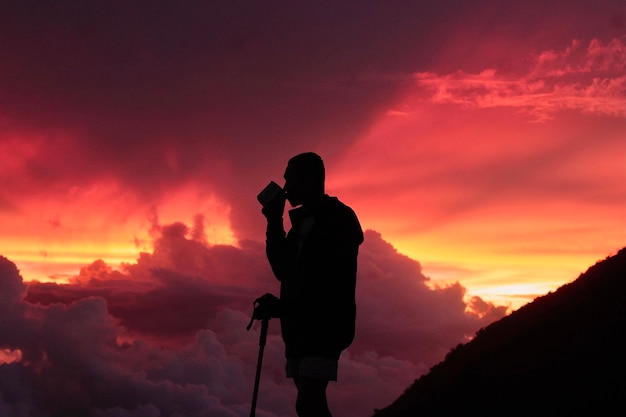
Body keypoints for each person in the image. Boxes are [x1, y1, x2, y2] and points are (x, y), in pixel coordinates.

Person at [262, 152, 363, 417]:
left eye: (289, 179)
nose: (285, 188)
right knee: (310, 402)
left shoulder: (340, 220)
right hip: (300, 328)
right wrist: (274, 221)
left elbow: (326, 282)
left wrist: (282, 308)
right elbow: (282, 269)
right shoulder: (301, 223)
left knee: (307, 402)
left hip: (325, 327)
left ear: (307, 180)